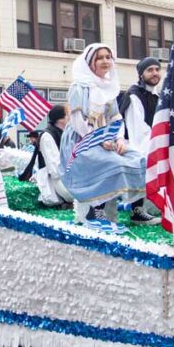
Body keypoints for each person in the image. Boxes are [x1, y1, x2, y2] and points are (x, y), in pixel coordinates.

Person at [60, 44, 150, 224]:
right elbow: (78, 122)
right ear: (90, 62)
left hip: (106, 138)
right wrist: (99, 141)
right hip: (82, 142)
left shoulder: (109, 87)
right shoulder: (80, 86)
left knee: (139, 159)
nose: (105, 61)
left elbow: (115, 118)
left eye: (108, 57)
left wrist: (119, 139)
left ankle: (137, 210)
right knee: (111, 162)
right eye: (99, 57)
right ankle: (95, 212)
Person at [119, 56, 163, 224]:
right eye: (150, 70)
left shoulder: (157, 95)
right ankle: (137, 212)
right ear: (141, 74)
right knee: (140, 171)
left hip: (152, 143)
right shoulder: (134, 95)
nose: (155, 73)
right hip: (135, 146)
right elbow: (137, 128)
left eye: (157, 69)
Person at [31, 105, 73, 207]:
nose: (70, 118)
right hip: (57, 180)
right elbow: (55, 169)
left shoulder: (66, 133)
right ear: (60, 119)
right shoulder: (47, 136)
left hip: (69, 175)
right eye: (68, 115)